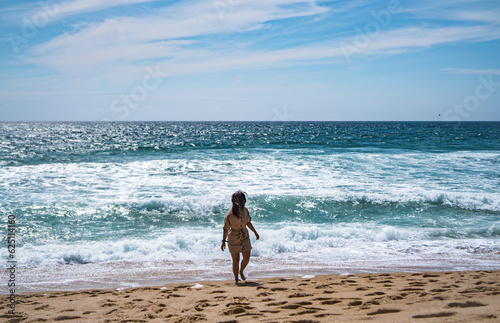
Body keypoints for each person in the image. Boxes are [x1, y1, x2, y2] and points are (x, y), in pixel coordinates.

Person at [221, 190, 260, 284]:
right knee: (236, 259)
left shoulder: (245, 210)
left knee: (247, 257)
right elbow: (226, 229)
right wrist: (223, 241)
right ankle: (236, 279)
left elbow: (248, 222)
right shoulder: (229, 214)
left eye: (244, 200)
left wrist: (255, 232)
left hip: (245, 236)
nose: (243, 202)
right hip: (233, 237)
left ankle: (241, 271)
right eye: (242, 200)